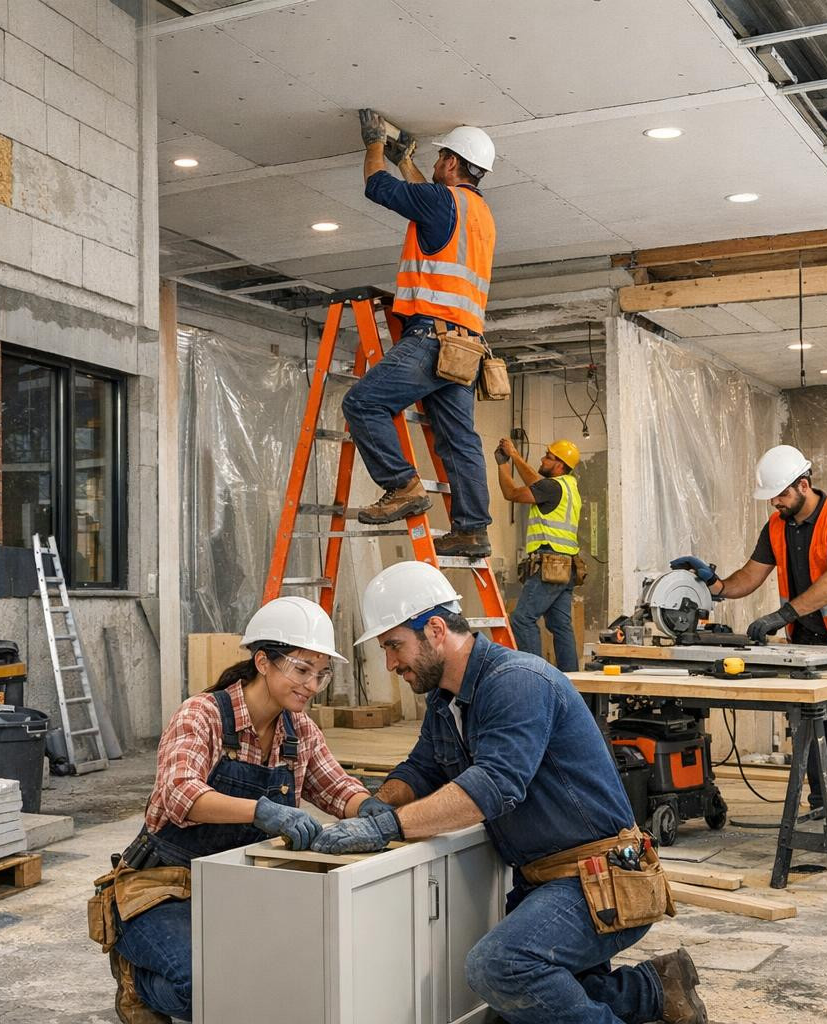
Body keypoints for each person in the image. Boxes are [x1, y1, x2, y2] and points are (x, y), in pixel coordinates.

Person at [310, 562, 707, 1024]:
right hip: (548, 880)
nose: (391, 664)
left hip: (601, 879)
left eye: (395, 646)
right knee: (517, 1009)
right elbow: (420, 770)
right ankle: (655, 988)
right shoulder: (446, 701)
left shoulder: (516, 682)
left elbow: (493, 787)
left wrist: (388, 827)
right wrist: (378, 804)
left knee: (500, 967)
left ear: (436, 629)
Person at [92, 596, 370, 1024]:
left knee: (276, 976)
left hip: (239, 888)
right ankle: (136, 980)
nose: (312, 685)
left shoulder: (301, 732)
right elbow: (179, 794)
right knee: (201, 987)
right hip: (162, 888)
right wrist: (262, 811)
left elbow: (338, 790)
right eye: (301, 670)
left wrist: (379, 814)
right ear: (263, 661)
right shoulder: (202, 715)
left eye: (321, 674)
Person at [671, 443, 827, 823]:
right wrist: (714, 585)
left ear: (804, 485)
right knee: (817, 734)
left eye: (780, 495)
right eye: (771, 496)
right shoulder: (777, 525)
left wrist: (783, 615)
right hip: (812, 645)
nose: (774, 503)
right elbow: (750, 575)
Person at [343, 112, 497, 558]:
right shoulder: (480, 212)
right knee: (459, 440)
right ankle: (472, 529)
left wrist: (375, 146)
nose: (434, 164)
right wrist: (406, 160)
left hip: (432, 337)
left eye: (439, 158)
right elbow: (427, 197)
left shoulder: (442, 201)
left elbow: (379, 186)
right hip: (466, 347)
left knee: (363, 402)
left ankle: (402, 485)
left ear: (450, 163)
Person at [498, 437, 583, 671]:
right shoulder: (568, 487)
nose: (543, 459)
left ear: (560, 464)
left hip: (550, 563)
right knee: (560, 625)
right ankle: (572, 681)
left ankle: (535, 676)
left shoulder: (552, 486)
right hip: (566, 566)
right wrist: (508, 460)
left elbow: (516, 491)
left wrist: (509, 459)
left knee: (522, 619)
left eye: (548, 456)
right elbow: (523, 487)